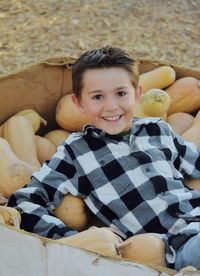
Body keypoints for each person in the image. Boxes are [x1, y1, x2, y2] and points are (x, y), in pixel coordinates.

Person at [8, 46, 200, 270]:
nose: (111, 106)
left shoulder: (158, 129)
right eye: (98, 97)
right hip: (170, 249)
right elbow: (25, 202)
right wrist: (73, 242)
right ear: (79, 103)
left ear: (137, 94)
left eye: (121, 93)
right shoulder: (75, 152)